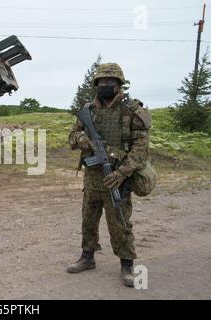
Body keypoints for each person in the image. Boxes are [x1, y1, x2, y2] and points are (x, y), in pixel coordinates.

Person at [67, 63, 151, 287]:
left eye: (109, 82)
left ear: (119, 84)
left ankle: (127, 266)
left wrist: (122, 173)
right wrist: (82, 139)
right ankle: (87, 257)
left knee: (120, 223)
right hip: (92, 177)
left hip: (117, 178)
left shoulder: (132, 111)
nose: (105, 85)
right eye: (101, 82)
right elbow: (72, 136)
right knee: (88, 219)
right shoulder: (88, 110)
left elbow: (141, 149)